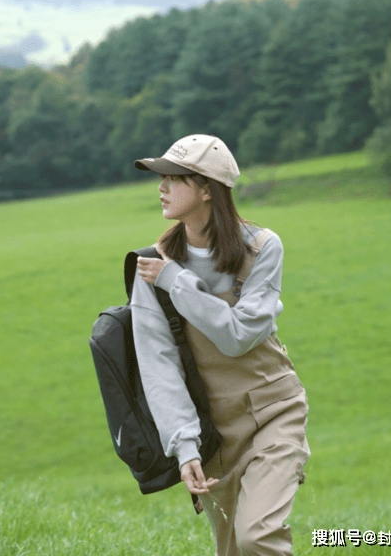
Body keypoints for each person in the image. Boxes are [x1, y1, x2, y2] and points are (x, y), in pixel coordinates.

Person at [131, 134, 310, 556]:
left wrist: (176, 281)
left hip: (273, 413)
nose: (161, 187)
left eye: (174, 178)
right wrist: (184, 443)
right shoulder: (148, 264)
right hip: (213, 432)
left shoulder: (262, 248)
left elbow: (237, 337)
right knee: (231, 549)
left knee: (257, 538)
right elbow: (158, 364)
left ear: (208, 188)